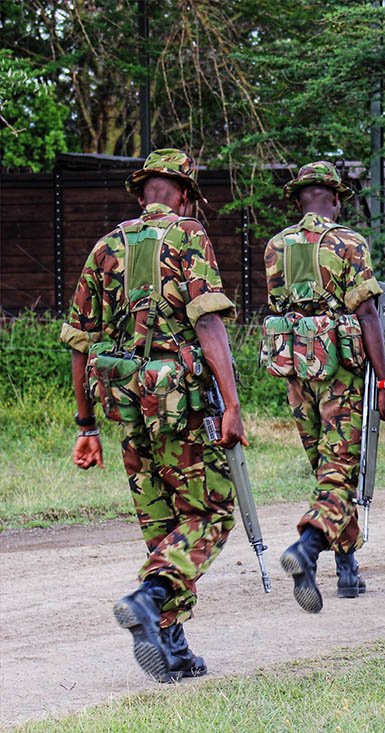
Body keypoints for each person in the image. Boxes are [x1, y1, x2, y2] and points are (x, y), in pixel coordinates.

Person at [60, 148, 245, 682]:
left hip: (125, 405)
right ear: (184, 194)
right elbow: (209, 325)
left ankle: (172, 649)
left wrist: (85, 425)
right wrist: (232, 405)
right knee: (209, 515)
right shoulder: (188, 235)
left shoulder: (106, 245)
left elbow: (79, 342)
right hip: (180, 405)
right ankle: (150, 596)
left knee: (162, 525)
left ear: (143, 194)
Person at [262, 161, 385, 613]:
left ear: (298, 199)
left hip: (297, 369)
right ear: (336, 200)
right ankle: (307, 547)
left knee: (325, 467)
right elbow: (366, 316)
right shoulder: (348, 243)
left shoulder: (275, 248)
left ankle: (347, 567)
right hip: (341, 370)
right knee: (341, 467)